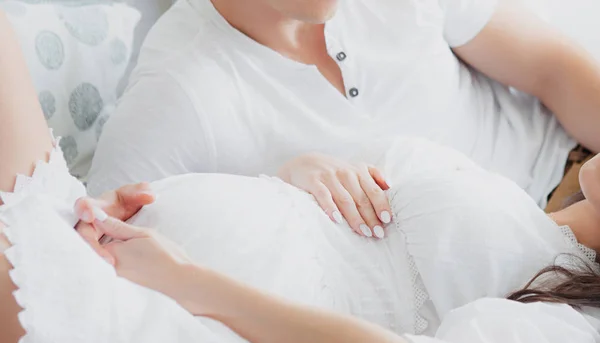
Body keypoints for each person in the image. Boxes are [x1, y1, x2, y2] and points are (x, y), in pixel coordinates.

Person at [1, 10, 600, 343]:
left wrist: (191, 283)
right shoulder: (185, 88)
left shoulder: (569, 303)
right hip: (132, 266)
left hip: (164, 324)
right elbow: (102, 212)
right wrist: (295, 169)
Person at [89, 0, 600, 239]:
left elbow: (553, 70)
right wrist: (281, 186)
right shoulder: (178, 92)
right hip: (514, 259)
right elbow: (102, 246)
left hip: (576, 162)